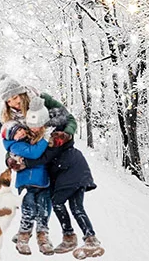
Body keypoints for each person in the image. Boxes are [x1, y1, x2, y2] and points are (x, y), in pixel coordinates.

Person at [0, 78, 77, 255]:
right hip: (30, 162)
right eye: (8, 101)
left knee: (46, 196)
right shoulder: (9, 118)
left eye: (14, 97)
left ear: (22, 93)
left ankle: (42, 235)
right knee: (30, 196)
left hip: (50, 156)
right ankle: (24, 233)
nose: (13, 103)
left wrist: (64, 134)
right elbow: (10, 142)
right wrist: (9, 159)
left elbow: (69, 119)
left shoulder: (41, 100)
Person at [39, 106, 104, 258]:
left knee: (57, 202)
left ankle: (69, 237)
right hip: (79, 169)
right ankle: (91, 239)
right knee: (76, 207)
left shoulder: (53, 138)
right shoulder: (61, 133)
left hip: (69, 169)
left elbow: (45, 157)